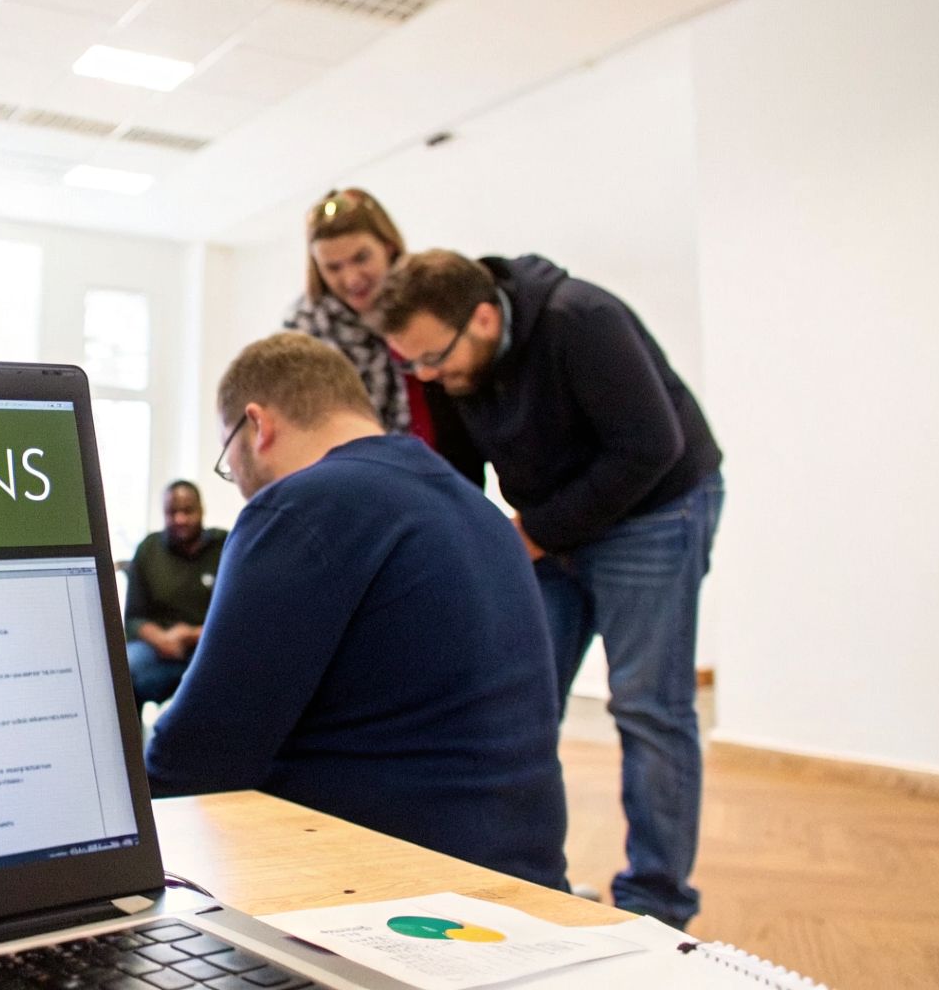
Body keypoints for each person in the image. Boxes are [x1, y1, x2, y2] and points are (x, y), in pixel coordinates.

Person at [376, 249, 724, 930]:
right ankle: (529, 881)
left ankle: (656, 907)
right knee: (517, 702)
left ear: (483, 318)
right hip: (554, 520)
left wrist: (537, 531)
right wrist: (460, 547)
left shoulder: (581, 319)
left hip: (656, 509)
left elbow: (652, 445)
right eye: (412, 364)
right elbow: (458, 470)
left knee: (649, 707)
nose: (428, 376)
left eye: (433, 358)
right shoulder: (445, 361)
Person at [145, 332, 568, 891]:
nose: (241, 484)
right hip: (523, 880)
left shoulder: (302, 505)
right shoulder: (477, 509)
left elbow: (199, 755)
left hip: (396, 894)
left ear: (258, 425)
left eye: (230, 459)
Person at [284, 188, 484, 486]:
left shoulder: (428, 298)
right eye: (333, 267)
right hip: (362, 486)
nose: (351, 278)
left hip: (452, 475)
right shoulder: (306, 331)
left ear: (388, 246)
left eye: (361, 258)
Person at [123, 481, 226, 706]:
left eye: (187, 511)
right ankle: (131, 730)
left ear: (201, 509)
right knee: (124, 668)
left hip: (210, 646)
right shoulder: (149, 549)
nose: (180, 519)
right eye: (172, 512)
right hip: (158, 649)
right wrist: (162, 639)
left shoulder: (224, 548)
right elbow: (133, 618)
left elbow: (237, 619)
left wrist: (191, 635)